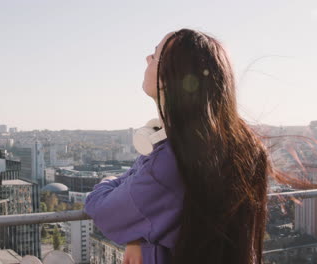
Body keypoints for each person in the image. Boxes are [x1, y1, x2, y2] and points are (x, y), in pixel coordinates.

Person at [85, 29, 285, 264]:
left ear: (168, 79)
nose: (147, 59)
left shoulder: (170, 161)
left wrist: (108, 181)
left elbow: (101, 208)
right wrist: (138, 237)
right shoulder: (244, 146)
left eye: (155, 55)